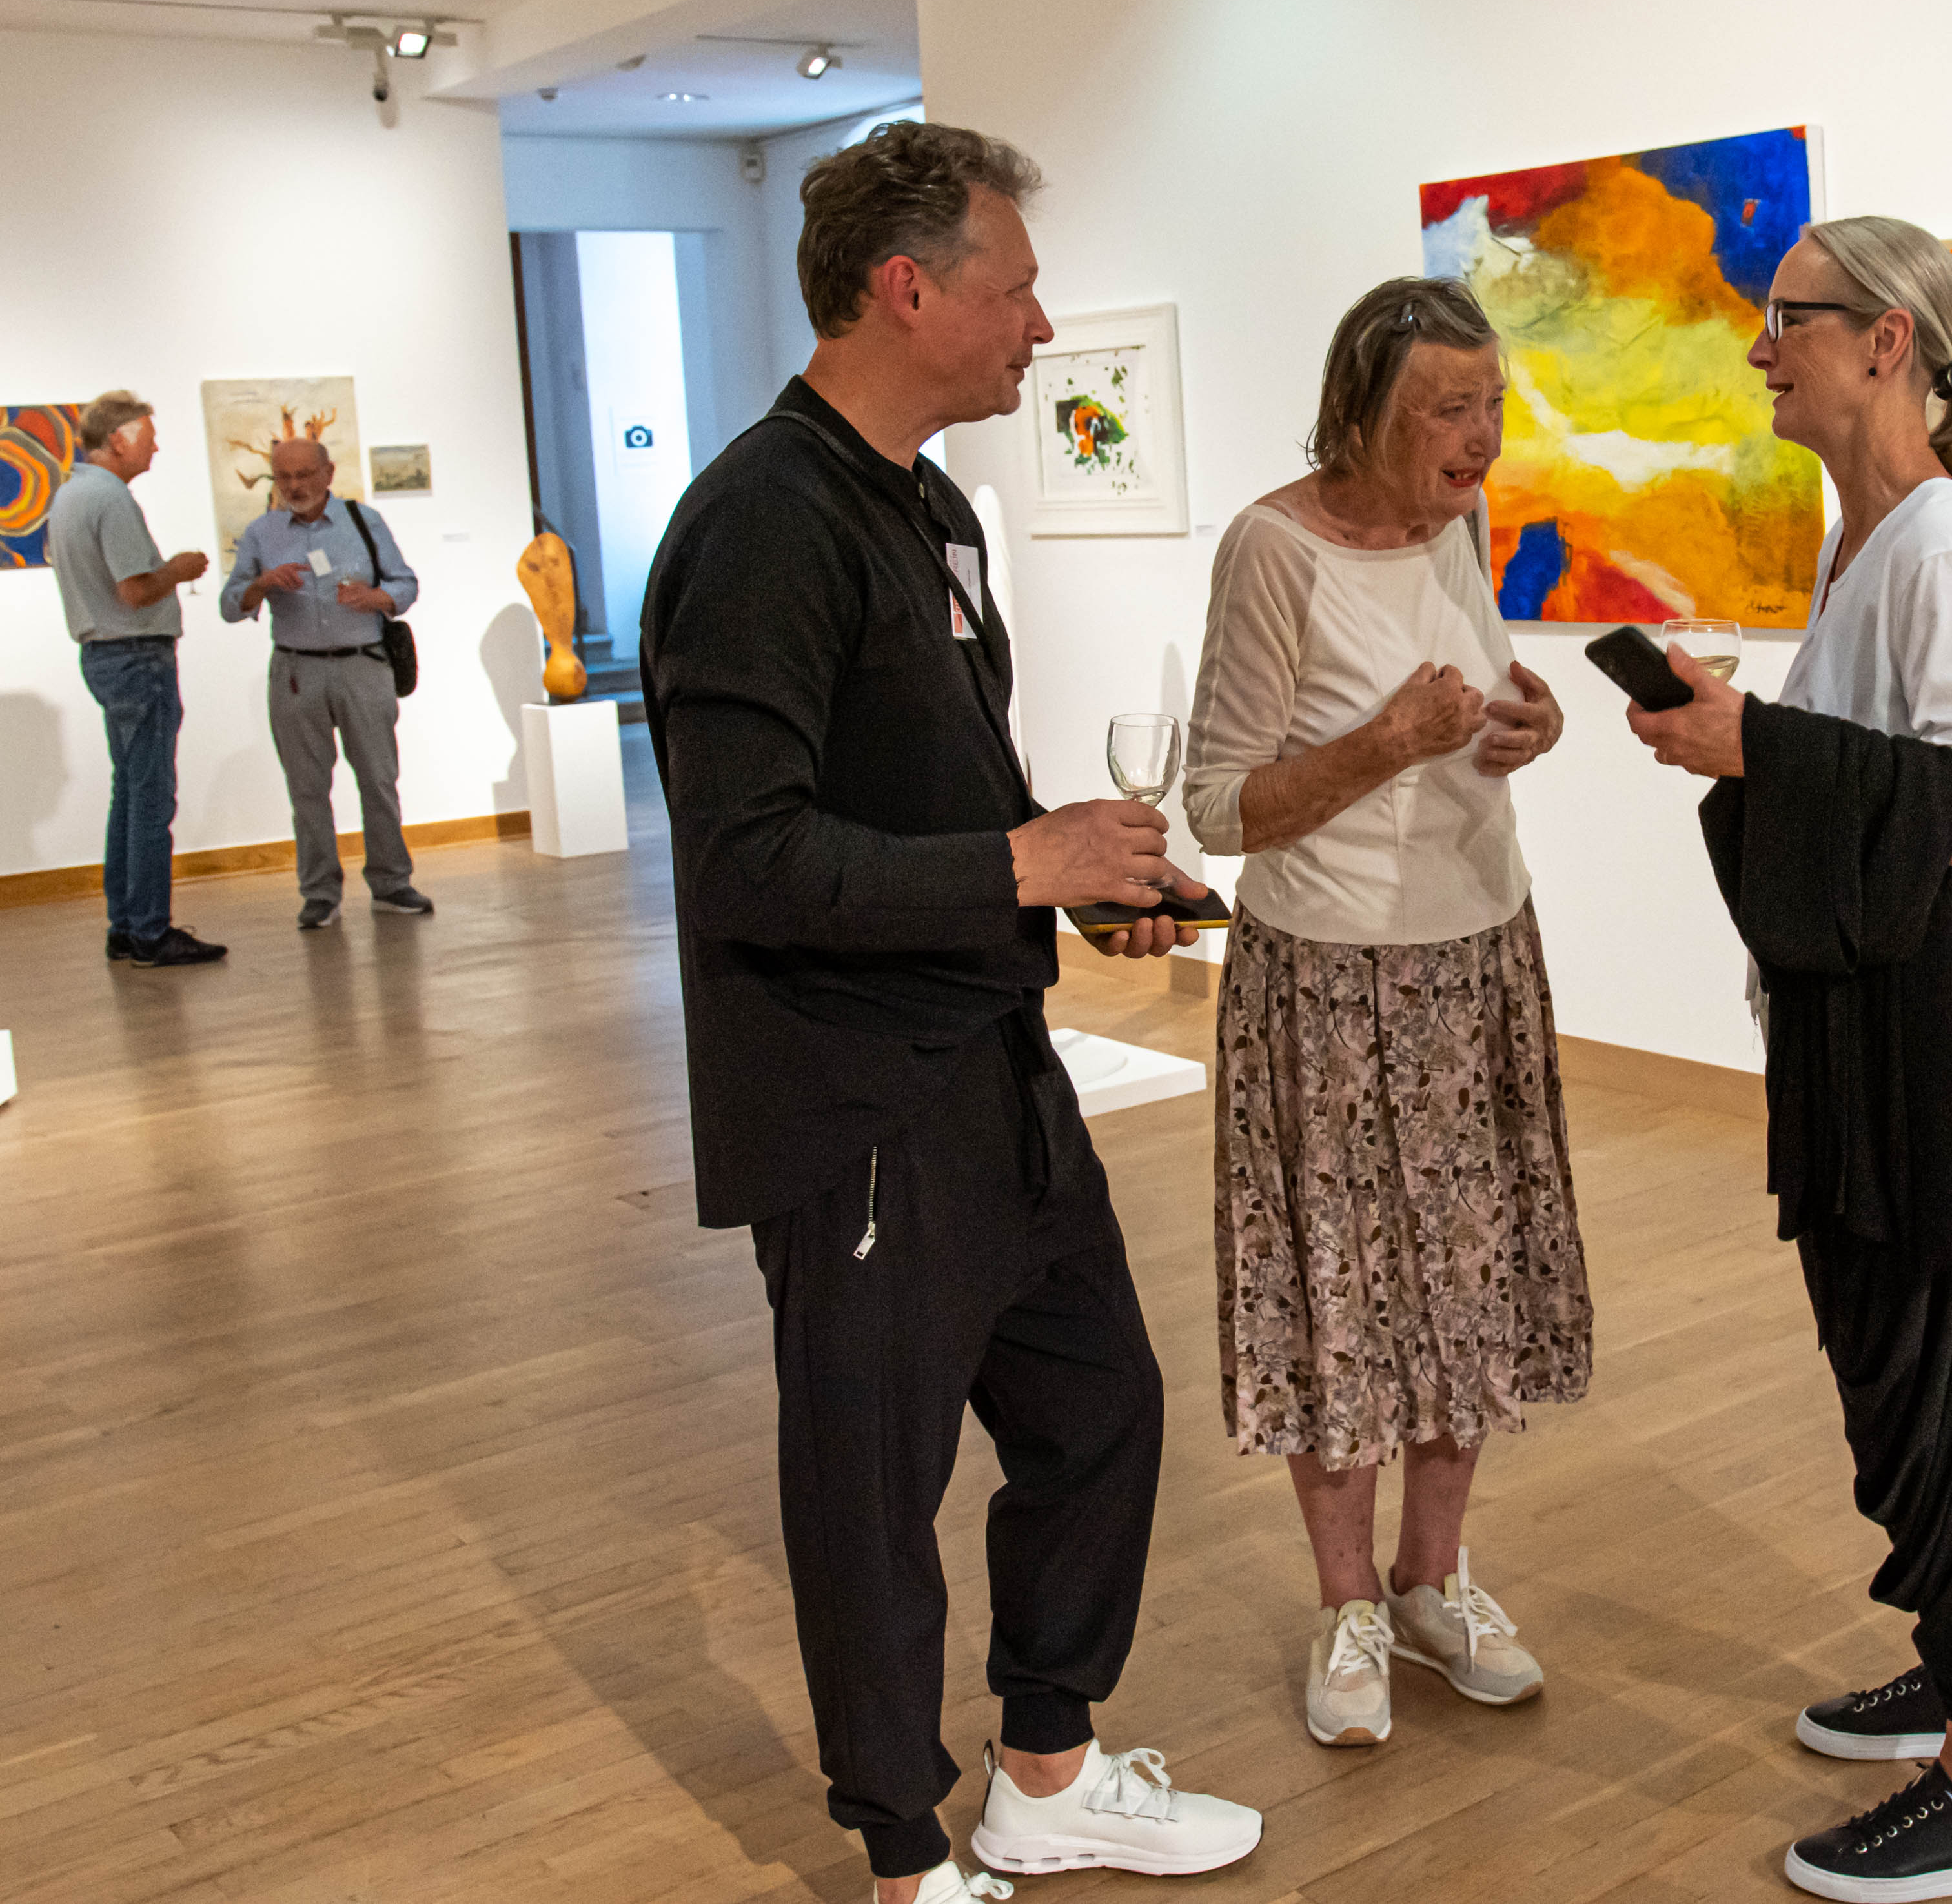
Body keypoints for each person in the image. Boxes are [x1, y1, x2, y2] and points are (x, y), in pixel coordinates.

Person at [640, 119, 1261, 1904]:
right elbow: (746, 858)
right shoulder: (761, 523)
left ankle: (1046, 1773)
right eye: (1018, 289)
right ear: (907, 289)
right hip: (850, 1091)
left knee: (1100, 1406)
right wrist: (1017, 862)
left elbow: (933, 789)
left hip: (989, 1055)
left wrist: (1072, 876)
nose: (1042, 326)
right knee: (872, 1479)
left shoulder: (927, 507)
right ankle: (906, 1858)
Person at [1627, 216, 1952, 1899]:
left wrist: (1761, 745)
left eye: (1784, 320)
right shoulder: (1862, 540)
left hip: (1943, 1062)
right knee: (1903, 1391)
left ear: (1885, 343)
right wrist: (1754, 741)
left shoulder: (1942, 544)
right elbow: (1874, 769)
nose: (1758, 350)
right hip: (1869, 1044)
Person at [1182, 276, 1587, 1752]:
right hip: (1329, 974)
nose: (1483, 438)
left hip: (1478, 950)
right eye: (1448, 409)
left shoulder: (1457, 528)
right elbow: (1218, 806)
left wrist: (1524, 727)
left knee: (1469, 1281)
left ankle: (1434, 1579)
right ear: (1361, 412)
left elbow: (1474, 713)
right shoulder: (1273, 550)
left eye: (1493, 404)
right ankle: (1347, 1601)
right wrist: (1387, 743)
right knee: (1341, 1294)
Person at [220, 435, 432, 929]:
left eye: (304, 475)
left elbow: (406, 583)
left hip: (363, 665)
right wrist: (261, 585)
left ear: (328, 474)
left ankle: (391, 882)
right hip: (296, 671)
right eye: (284, 477)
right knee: (307, 788)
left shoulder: (364, 521)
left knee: (378, 779)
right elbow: (230, 605)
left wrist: (376, 598)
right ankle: (319, 893)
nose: (294, 486)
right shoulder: (261, 533)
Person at [48, 390, 225, 969]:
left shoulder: (71, 495)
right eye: (148, 437)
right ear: (119, 440)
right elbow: (135, 590)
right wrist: (180, 569)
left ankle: (126, 925)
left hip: (105, 657)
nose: (156, 447)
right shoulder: (111, 498)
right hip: (137, 658)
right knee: (149, 797)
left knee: (128, 792)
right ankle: (150, 931)